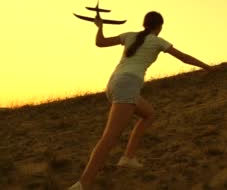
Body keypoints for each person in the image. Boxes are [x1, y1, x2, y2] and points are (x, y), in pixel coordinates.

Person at [68, 11, 213, 190]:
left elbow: (100, 43)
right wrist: (206, 66)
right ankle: (83, 184)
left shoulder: (129, 35)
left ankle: (128, 158)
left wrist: (100, 27)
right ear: (159, 26)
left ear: (145, 24)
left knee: (149, 114)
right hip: (128, 84)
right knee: (109, 138)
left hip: (115, 83)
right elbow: (183, 57)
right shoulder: (158, 41)